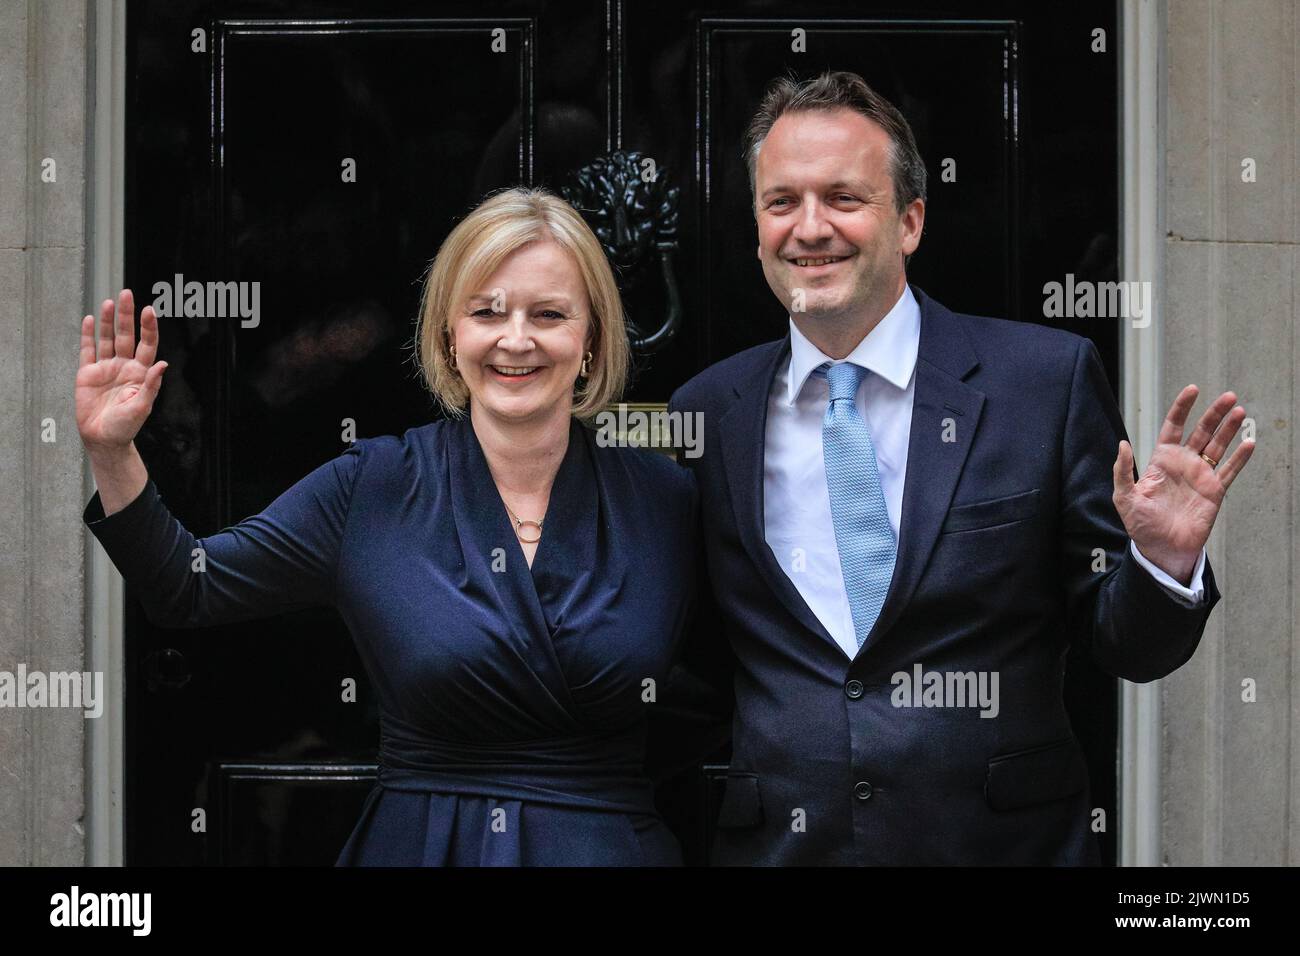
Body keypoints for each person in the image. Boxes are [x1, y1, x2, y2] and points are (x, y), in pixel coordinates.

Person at [668, 71, 1256, 865]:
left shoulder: (1043, 383)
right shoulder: (707, 412)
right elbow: (687, 663)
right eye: (782, 203)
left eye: (844, 198)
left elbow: (1126, 650)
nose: (810, 228)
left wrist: (1163, 561)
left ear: (909, 221)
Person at [77, 187, 698, 866]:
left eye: (548, 314)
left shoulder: (662, 497)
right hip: (428, 847)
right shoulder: (372, 486)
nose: (515, 338)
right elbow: (186, 587)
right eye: (486, 311)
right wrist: (113, 451)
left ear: (590, 340)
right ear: (448, 334)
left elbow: (739, 675)